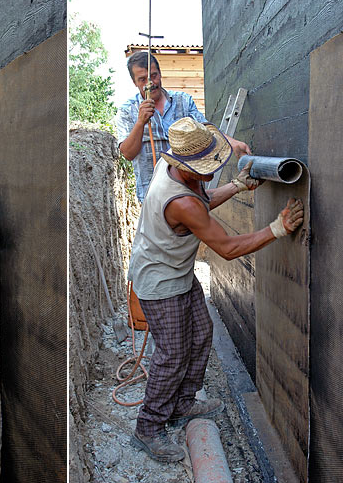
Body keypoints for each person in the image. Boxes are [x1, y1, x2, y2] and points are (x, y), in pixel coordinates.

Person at [128, 117, 304, 462]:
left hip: (176, 271)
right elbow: (227, 247)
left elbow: (203, 201)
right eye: (207, 166)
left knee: (202, 333)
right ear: (187, 165)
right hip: (159, 281)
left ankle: (182, 403)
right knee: (171, 355)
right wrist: (277, 228)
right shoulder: (180, 201)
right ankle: (147, 429)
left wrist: (237, 186)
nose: (213, 170)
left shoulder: (178, 172)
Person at [116, 51, 252, 203]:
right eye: (142, 79)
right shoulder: (127, 111)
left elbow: (205, 127)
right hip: (154, 197)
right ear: (134, 82)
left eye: (154, 75)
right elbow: (128, 153)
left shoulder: (183, 101)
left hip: (190, 189)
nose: (150, 83)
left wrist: (233, 143)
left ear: (160, 73)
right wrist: (140, 122)